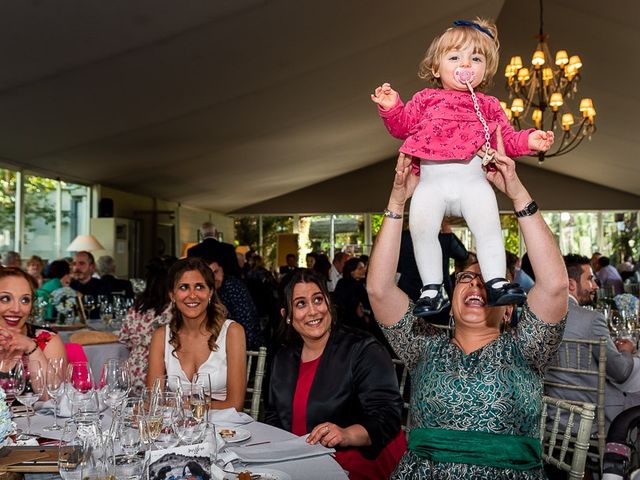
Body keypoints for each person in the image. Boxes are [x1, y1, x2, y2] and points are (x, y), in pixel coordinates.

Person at [366, 135, 568, 478]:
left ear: (508, 308)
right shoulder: (422, 345)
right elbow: (379, 289)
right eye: (464, 279)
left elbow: (555, 286)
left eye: (487, 280)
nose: (476, 283)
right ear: (449, 298)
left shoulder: (528, 348)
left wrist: (517, 193)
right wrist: (398, 202)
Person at [371, 18, 553, 317]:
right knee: (422, 231)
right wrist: (390, 107)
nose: (465, 63)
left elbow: (506, 139)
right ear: (435, 67)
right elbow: (401, 126)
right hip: (431, 183)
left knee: (489, 229)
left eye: (476, 58)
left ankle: (496, 281)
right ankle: (431, 289)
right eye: (455, 57)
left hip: (473, 182)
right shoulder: (425, 99)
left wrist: (530, 140)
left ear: (485, 69)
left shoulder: (490, 105)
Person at [264, 269, 406, 480]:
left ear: (329, 302)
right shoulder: (283, 356)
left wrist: (347, 434)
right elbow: (273, 414)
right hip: (296, 462)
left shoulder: (364, 349)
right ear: (286, 315)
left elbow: (388, 416)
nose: (313, 311)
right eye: (301, 304)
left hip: (356, 463)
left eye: (318, 299)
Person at [544, 254, 637, 432]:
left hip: (550, 415)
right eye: (589, 279)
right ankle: (621, 455)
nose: (594, 286)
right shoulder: (592, 319)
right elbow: (621, 372)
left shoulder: (537, 316)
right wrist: (627, 350)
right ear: (571, 284)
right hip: (589, 418)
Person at [146, 257, 246, 411]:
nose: (192, 295)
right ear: (172, 295)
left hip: (225, 429)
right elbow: (154, 400)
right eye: (184, 287)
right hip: (179, 431)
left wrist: (182, 405)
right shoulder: (161, 336)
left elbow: (235, 405)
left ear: (210, 292)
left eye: (199, 287)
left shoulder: (232, 332)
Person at [119, 256, 175, 395]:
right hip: (163, 372)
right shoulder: (175, 310)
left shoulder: (138, 306)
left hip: (134, 371)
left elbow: (123, 337)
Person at [0, 267, 67, 367]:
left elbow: (56, 383)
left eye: (25, 300)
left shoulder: (47, 340)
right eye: (5, 298)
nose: (16, 309)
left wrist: (31, 348)